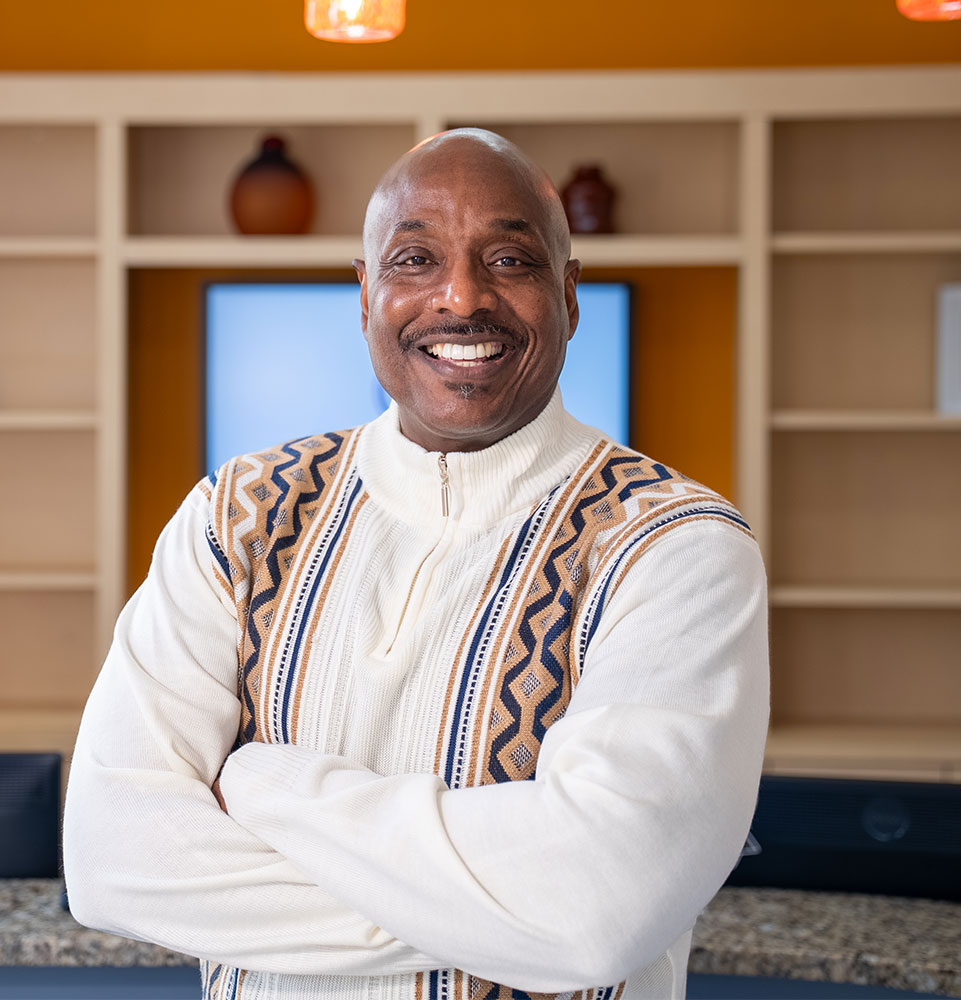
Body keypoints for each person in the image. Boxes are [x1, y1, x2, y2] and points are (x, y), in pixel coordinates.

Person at [64, 128, 769, 1000]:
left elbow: (592, 918)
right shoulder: (234, 516)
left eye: (510, 259)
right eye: (413, 259)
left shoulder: (673, 546)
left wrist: (269, 788)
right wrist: (501, 913)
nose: (461, 297)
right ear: (364, 298)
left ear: (569, 296)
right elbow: (111, 861)